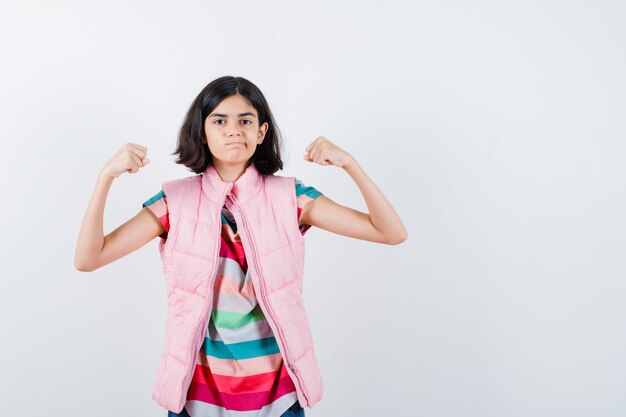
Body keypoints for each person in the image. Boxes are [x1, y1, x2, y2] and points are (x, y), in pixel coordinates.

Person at [74, 75, 407, 417]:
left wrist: (350, 165)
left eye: (245, 120)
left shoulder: (290, 197)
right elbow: (89, 258)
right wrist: (105, 177)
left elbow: (390, 232)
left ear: (261, 132)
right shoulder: (175, 202)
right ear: (201, 131)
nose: (234, 130)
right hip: (195, 401)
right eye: (220, 120)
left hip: (278, 401)